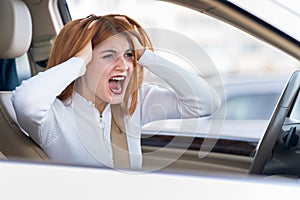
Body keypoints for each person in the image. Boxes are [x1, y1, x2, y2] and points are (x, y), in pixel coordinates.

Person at [11, 14, 221, 170]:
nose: (124, 66)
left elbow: (206, 103)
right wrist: (78, 60)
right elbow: (26, 103)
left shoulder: (135, 102)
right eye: (108, 55)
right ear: (82, 64)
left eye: (129, 55)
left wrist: (145, 55)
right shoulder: (54, 116)